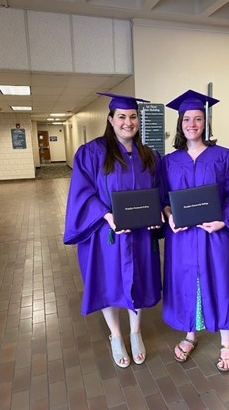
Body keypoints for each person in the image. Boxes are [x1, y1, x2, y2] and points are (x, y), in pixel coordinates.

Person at [63, 93, 163, 368]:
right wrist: (106, 215)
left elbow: (158, 193)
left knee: (139, 281)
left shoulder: (149, 156)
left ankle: (135, 332)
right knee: (108, 283)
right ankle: (116, 336)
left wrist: (156, 214)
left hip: (140, 235)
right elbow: (82, 193)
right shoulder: (92, 153)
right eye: (121, 117)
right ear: (110, 119)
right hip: (107, 235)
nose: (127, 122)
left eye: (132, 117)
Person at [161, 89, 229, 372]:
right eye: (187, 119)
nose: (192, 124)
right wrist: (168, 214)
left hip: (214, 235)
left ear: (205, 123)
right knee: (187, 283)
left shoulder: (224, 156)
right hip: (183, 238)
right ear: (180, 123)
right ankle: (190, 335)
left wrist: (224, 220)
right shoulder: (169, 161)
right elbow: (163, 199)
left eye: (198, 119)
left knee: (220, 283)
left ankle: (227, 342)